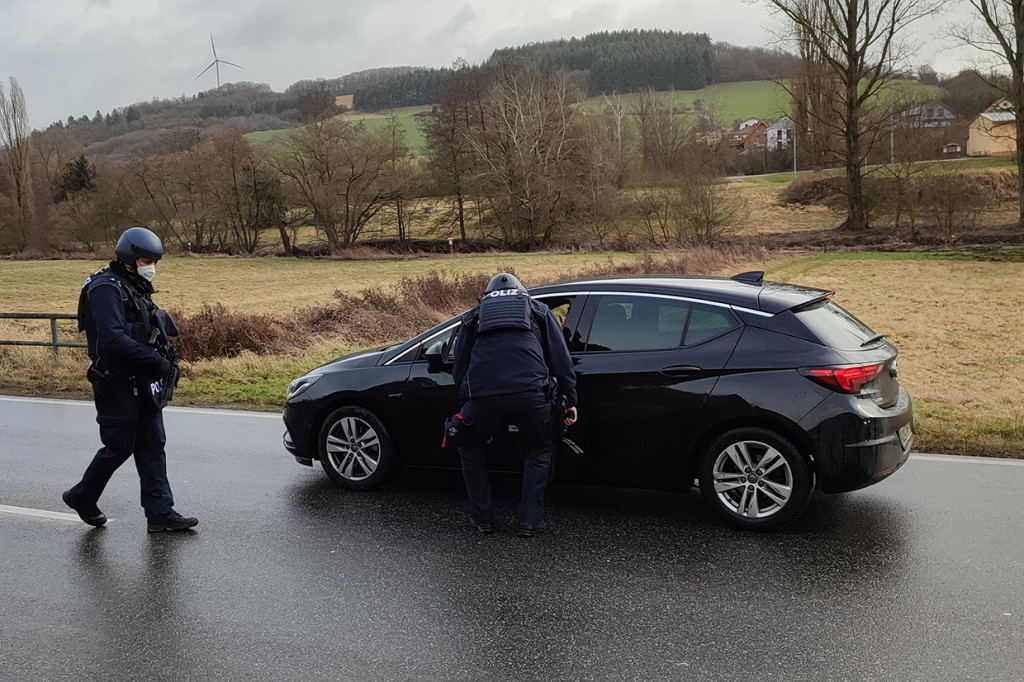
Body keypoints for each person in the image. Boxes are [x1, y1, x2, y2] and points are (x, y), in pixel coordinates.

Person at [62, 227, 197, 533]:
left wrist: (161, 359)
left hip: (143, 380)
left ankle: (160, 513)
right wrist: (153, 360)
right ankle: (81, 496)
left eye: (155, 261)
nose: (152, 266)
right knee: (119, 447)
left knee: (152, 445)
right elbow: (111, 340)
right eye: (147, 260)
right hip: (115, 382)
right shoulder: (105, 288)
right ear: (130, 257)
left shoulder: (133, 285)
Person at [452, 273, 578, 538]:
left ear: (486, 296)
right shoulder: (538, 310)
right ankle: (529, 523)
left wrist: (467, 394)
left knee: (469, 446)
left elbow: (459, 364)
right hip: (532, 395)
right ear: (522, 293)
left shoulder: (473, 316)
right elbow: (560, 358)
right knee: (540, 450)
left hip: (484, 397)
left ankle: (483, 520)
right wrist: (570, 398)